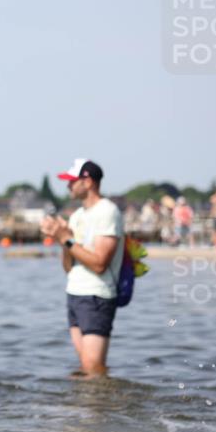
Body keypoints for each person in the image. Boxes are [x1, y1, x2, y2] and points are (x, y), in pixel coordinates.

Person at [40, 159, 123, 377]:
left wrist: (66, 239)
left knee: (93, 367)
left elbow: (99, 264)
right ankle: (90, 399)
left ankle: (105, 399)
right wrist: (62, 239)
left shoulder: (107, 211)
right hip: (75, 293)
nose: (68, 186)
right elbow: (68, 267)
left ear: (88, 182)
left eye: (72, 181)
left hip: (97, 294)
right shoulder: (77, 216)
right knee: (85, 367)